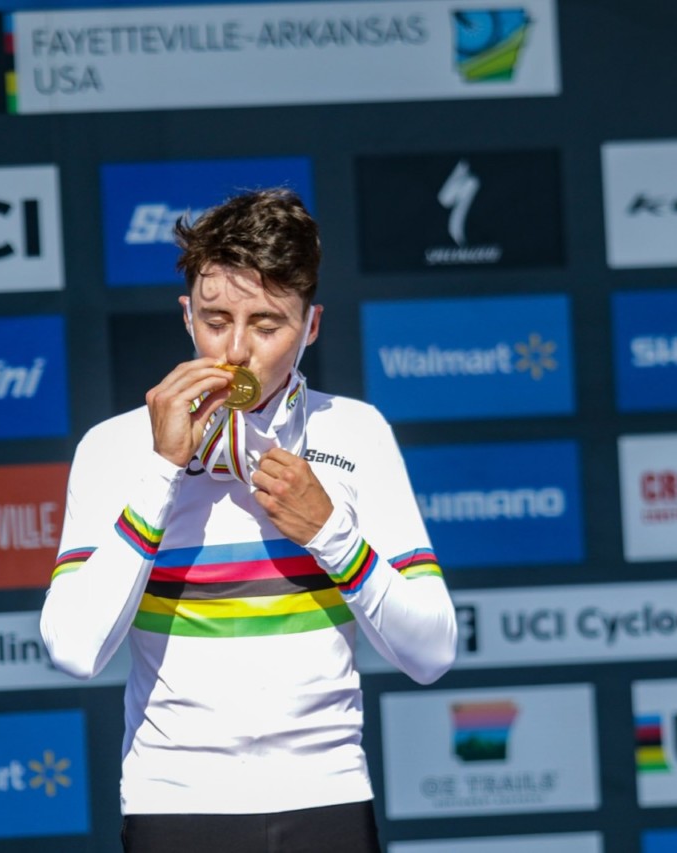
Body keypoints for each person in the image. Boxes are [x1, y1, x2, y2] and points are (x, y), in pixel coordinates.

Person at [40, 188, 457, 853]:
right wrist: (161, 473)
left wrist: (332, 533)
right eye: (215, 319)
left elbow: (433, 652)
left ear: (311, 325)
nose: (236, 351)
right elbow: (72, 649)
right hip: (175, 804)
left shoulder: (357, 433)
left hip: (327, 796)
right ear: (185, 315)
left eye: (267, 324)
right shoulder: (114, 448)